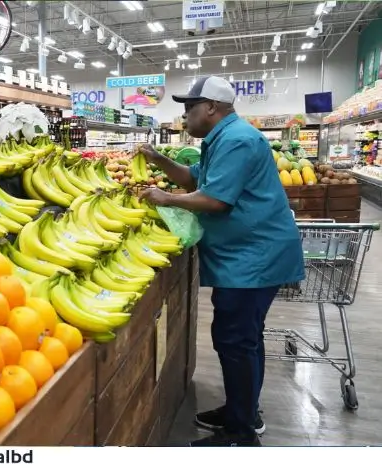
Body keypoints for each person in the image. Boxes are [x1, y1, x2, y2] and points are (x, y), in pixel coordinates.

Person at [138, 76, 304, 447]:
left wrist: (164, 199)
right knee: (244, 339)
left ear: (212, 108)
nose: (185, 116)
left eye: (190, 108)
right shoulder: (221, 139)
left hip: (254, 258)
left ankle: (241, 434)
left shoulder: (238, 140)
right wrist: (159, 159)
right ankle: (241, 411)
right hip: (246, 255)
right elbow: (194, 179)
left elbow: (216, 200)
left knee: (235, 340)